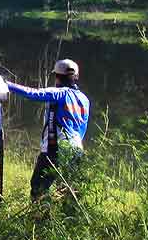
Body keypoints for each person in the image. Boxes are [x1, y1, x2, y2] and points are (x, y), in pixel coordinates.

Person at [7, 58, 90, 198]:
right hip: (76, 150)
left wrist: (8, 85)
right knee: (70, 192)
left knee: (39, 187)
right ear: (76, 77)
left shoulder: (59, 93)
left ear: (58, 77)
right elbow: (83, 128)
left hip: (55, 149)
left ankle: (40, 219)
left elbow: (32, 92)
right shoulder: (84, 99)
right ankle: (70, 218)